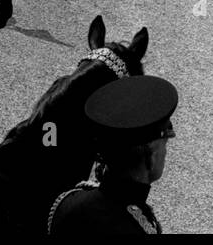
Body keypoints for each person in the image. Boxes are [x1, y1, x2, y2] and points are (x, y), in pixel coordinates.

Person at [48, 75, 178, 235]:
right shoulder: (134, 227)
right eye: (165, 144)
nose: (165, 153)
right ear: (151, 156)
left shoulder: (69, 202)